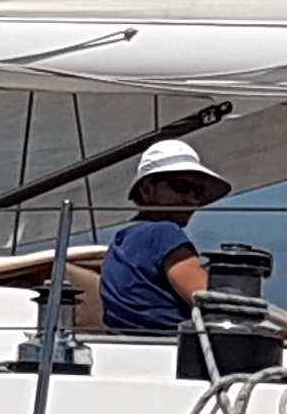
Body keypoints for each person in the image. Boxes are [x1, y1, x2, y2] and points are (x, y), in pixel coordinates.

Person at [98, 139, 228, 335]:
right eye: (181, 186)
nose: (191, 199)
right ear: (147, 189)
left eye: (198, 192)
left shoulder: (120, 241)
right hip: (172, 345)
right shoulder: (164, 233)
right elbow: (212, 304)